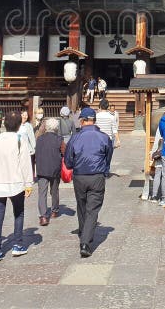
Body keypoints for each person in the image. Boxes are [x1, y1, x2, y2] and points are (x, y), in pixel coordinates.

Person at [63, 107, 114, 258]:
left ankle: (83, 233)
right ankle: (85, 241)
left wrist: (73, 165)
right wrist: (104, 169)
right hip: (97, 175)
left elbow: (68, 160)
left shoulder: (75, 138)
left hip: (79, 175)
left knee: (82, 204)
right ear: (94, 120)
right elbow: (108, 156)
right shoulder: (104, 137)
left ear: (82, 120)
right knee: (93, 208)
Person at [0, 112, 34, 263]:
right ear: (20, 124)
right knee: (18, 214)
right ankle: (17, 244)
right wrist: (28, 184)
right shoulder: (20, 139)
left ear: (4, 124)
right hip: (16, 182)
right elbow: (25, 164)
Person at [35, 118, 63, 226]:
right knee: (54, 190)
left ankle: (43, 217)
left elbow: (36, 152)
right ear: (56, 128)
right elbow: (64, 152)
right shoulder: (59, 139)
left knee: (42, 193)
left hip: (42, 168)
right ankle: (54, 211)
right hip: (55, 169)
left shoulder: (39, 139)